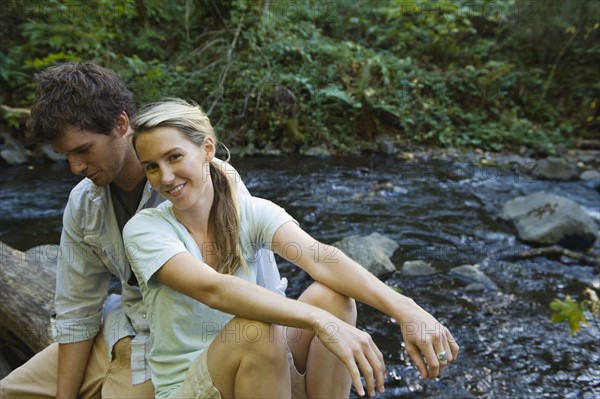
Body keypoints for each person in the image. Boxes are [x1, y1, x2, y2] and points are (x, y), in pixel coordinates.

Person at [123, 98, 459, 399]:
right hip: (192, 386)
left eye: (174, 157)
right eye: (151, 166)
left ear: (207, 149)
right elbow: (213, 289)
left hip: (266, 370)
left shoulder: (251, 211)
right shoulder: (145, 229)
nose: (165, 177)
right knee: (257, 329)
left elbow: (321, 258)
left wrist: (406, 309)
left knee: (334, 297)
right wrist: (320, 322)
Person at [0, 62, 282, 398]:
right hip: (122, 325)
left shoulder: (205, 181)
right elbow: (77, 310)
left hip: (187, 346)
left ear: (121, 124)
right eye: (65, 156)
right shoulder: (83, 203)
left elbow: (233, 292)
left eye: (83, 150)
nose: (75, 168)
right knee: (12, 391)